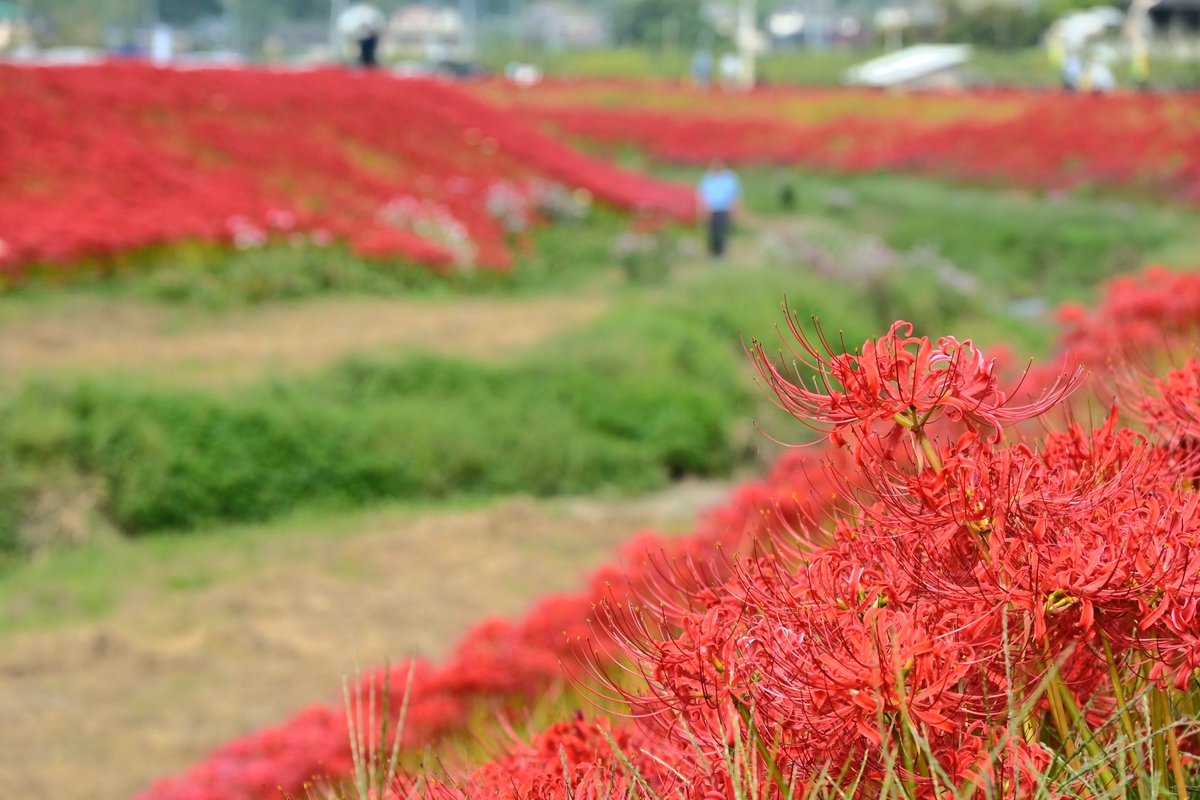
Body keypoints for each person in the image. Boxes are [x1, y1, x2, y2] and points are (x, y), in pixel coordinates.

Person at [697, 160, 741, 259]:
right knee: (712, 233)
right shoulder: (707, 178)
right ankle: (713, 254)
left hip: (724, 210)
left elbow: (734, 196)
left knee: (722, 233)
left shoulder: (730, 178)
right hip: (711, 210)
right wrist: (702, 211)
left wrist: (735, 211)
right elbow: (702, 196)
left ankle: (721, 255)